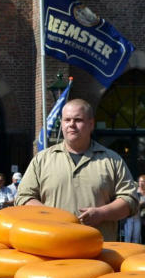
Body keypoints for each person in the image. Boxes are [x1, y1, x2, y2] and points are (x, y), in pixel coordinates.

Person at [15, 99, 138, 241]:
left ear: (91, 124)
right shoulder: (41, 160)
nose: (71, 125)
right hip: (51, 248)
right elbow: (23, 197)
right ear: (61, 124)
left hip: (96, 251)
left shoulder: (112, 160)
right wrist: (49, 215)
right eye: (67, 120)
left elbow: (130, 200)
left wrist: (102, 213)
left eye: (78, 120)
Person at [125, 174, 145, 244]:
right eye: (139, 181)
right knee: (128, 236)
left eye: (143, 181)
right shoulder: (134, 191)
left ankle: (135, 252)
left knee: (136, 237)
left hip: (140, 217)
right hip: (130, 216)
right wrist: (139, 203)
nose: (141, 183)